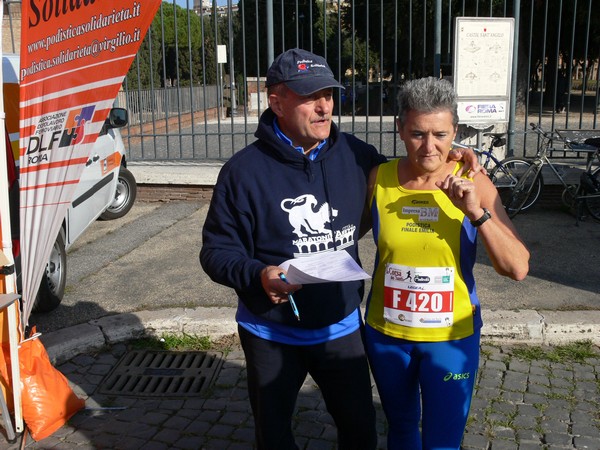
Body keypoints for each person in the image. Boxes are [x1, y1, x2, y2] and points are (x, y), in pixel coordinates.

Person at [199, 49, 481, 449]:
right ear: (275, 101)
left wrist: (450, 154)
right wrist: (256, 275)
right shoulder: (243, 171)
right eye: (308, 96)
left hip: (342, 329)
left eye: (329, 95)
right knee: (274, 436)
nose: (323, 106)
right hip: (270, 330)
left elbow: (411, 170)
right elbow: (215, 252)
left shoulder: (355, 154)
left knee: (360, 433)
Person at [363, 76, 530, 450]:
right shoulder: (380, 178)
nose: (430, 146)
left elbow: (517, 266)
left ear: (455, 131)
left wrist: (477, 214)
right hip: (387, 333)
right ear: (400, 130)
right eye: (418, 133)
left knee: (442, 441)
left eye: (440, 134)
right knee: (402, 429)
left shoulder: (474, 181)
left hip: (451, 338)